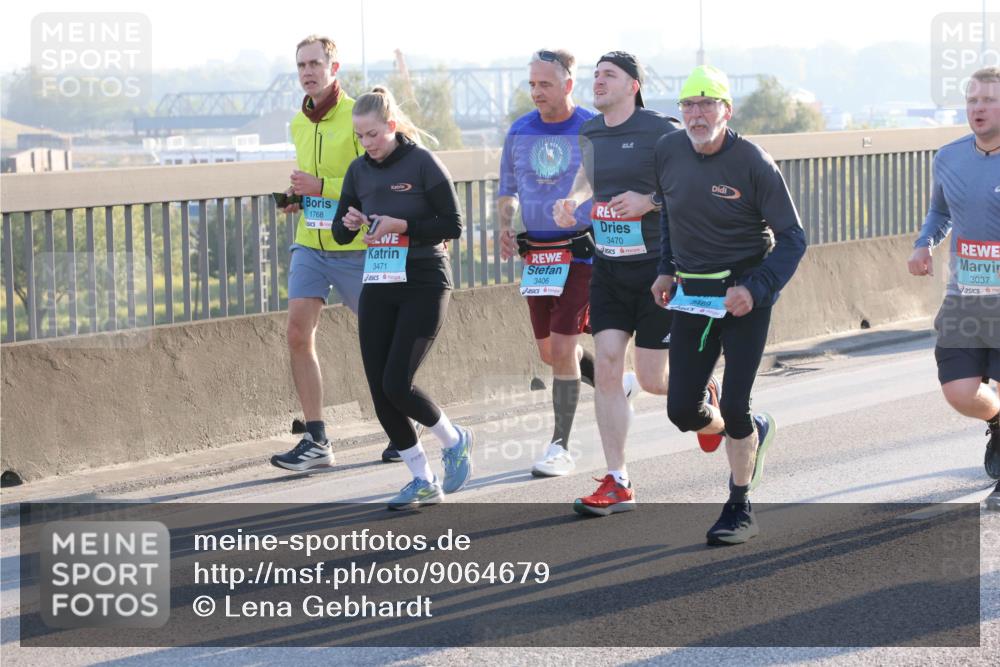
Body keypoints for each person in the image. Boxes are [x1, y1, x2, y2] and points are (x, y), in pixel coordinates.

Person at [651, 65, 807, 545]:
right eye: (688, 105)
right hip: (693, 294)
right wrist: (665, 267)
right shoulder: (667, 150)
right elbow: (669, 216)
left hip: (743, 295)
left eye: (707, 104)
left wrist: (754, 289)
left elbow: (793, 239)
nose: (697, 114)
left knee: (735, 402)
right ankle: (750, 430)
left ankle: (740, 505)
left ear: (726, 109)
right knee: (682, 410)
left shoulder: (754, 163)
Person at [553, 51, 696, 515]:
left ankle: (711, 400)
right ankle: (619, 480)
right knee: (609, 367)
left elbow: (692, 182)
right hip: (609, 268)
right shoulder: (590, 131)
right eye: (594, 75)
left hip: (657, 269)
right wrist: (571, 199)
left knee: (656, 381)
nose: (597, 82)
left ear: (633, 85)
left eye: (608, 75)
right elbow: (586, 175)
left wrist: (650, 201)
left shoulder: (662, 130)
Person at [332, 87, 474, 510]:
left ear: (391, 127)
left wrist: (402, 224)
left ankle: (454, 439)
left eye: (373, 135)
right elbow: (340, 233)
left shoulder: (422, 162)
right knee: (379, 390)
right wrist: (350, 220)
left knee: (398, 381)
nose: (367, 144)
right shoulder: (358, 171)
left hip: (425, 279)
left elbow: (452, 224)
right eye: (360, 137)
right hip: (379, 281)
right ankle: (423, 479)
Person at [269, 36, 407, 473]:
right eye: (301, 65)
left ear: (334, 67)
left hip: (356, 246)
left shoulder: (357, 116)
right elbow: (315, 187)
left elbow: (375, 184)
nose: (307, 71)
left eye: (315, 63)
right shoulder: (297, 122)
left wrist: (322, 188)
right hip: (311, 242)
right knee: (297, 332)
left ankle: (401, 428)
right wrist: (297, 197)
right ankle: (316, 438)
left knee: (381, 338)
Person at [497, 49, 599, 477]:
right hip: (537, 255)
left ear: (568, 85)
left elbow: (603, 181)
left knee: (561, 348)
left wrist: (577, 203)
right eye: (532, 84)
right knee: (550, 353)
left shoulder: (592, 128)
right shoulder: (520, 130)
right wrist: (503, 224)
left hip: (579, 249)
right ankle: (615, 378)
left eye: (546, 84)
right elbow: (508, 187)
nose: (537, 92)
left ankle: (560, 447)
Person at [907, 66, 1000, 511]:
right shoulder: (948, 156)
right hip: (966, 297)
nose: (977, 108)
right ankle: (997, 419)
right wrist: (924, 244)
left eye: (988, 99)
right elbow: (939, 212)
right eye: (972, 99)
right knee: (960, 391)